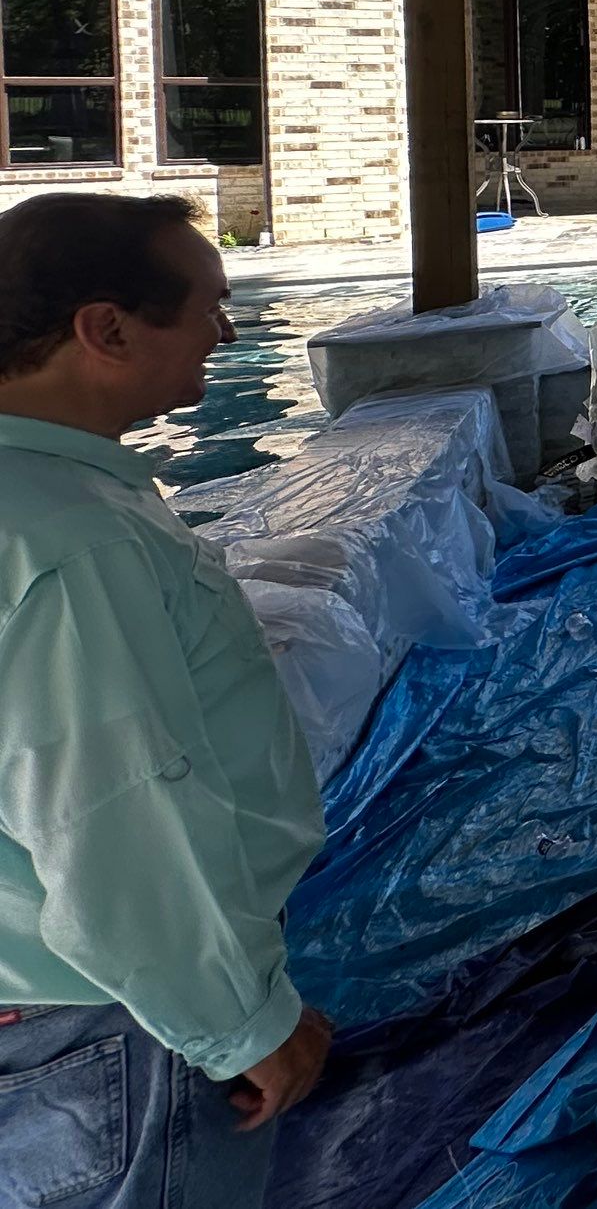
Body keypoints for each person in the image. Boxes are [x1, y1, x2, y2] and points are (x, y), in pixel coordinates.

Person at [0, 194, 330, 1208]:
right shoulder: (72, 540)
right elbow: (114, 813)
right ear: (106, 329)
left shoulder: (44, 498)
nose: (227, 334)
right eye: (209, 307)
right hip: (109, 1030)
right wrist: (243, 1020)